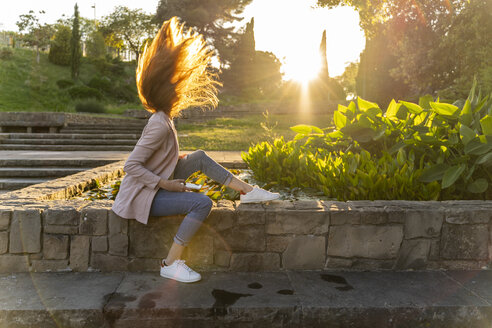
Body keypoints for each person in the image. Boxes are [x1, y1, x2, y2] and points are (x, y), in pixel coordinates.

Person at [111, 17, 279, 284]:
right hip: (144, 196)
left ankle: (247, 192)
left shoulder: (164, 117)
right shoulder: (159, 124)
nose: (181, 88)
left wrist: (173, 161)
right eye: (176, 85)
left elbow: (155, 157)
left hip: (153, 186)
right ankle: (170, 263)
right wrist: (167, 183)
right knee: (202, 203)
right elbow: (131, 166)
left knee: (198, 156)